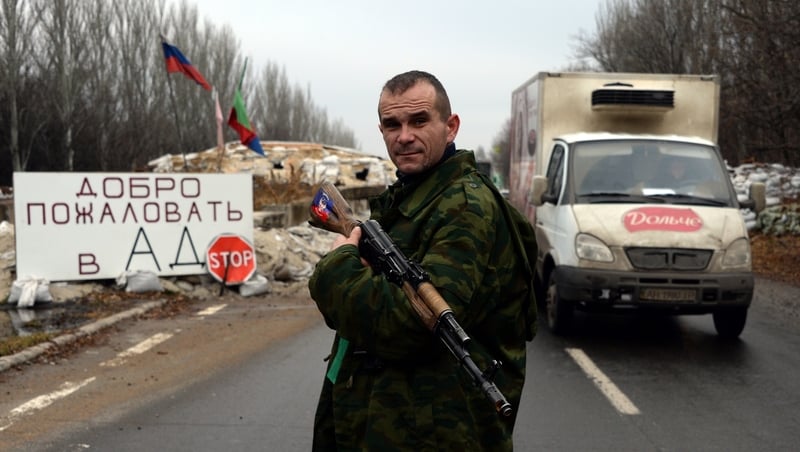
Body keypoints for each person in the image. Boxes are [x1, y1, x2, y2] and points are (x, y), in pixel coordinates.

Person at [308, 70, 537, 450]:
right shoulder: (413, 196)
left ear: (451, 127)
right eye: (391, 124)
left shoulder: (464, 207)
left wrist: (337, 269)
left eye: (419, 121)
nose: (404, 136)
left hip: (435, 433)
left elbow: (411, 326)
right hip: (392, 423)